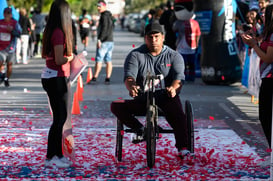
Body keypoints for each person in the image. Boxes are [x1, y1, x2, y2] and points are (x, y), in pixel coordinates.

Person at [111, 22, 190, 158]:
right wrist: (132, 87)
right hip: (143, 99)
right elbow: (129, 76)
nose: (153, 40)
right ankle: (142, 130)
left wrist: (174, 88)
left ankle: (183, 148)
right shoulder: (135, 55)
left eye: (156, 36)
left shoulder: (174, 56)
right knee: (116, 106)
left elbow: (179, 78)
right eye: (150, 37)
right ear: (145, 38)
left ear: (162, 37)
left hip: (166, 98)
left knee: (178, 115)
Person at [41, 0, 75, 168]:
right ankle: (52, 156)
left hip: (50, 76)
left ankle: (55, 155)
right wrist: (71, 57)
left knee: (58, 118)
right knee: (59, 119)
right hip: (56, 78)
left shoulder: (50, 31)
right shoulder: (59, 33)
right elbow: (60, 59)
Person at [241, 4, 273, 166]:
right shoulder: (268, 34)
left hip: (270, 77)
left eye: (266, 14)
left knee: (266, 116)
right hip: (266, 77)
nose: (263, 17)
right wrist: (252, 40)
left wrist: (254, 45)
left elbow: (268, 58)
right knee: (265, 116)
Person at [172, 0, 201, 82]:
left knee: (191, 64)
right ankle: (183, 77)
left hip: (191, 47)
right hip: (181, 47)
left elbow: (198, 34)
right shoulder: (179, 22)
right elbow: (174, 29)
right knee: (183, 64)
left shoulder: (195, 23)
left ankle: (191, 77)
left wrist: (197, 43)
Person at [91, 0, 114, 84]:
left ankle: (94, 77)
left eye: (99, 6)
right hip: (110, 40)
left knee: (99, 59)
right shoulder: (110, 16)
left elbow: (104, 28)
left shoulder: (104, 16)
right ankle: (108, 78)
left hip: (104, 41)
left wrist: (100, 39)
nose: (98, 8)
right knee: (108, 60)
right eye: (97, 6)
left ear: (104, 6)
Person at [0, 7, 22, 87]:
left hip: (11, 49)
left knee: (9, 65)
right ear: (3, 14)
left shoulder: (14, 23)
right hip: (1, 48)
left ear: (11, 14)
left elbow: (19, 34)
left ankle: (6, 78)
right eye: (6, 13)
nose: (7, 15)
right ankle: (2, 75)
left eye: (9, 13)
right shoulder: (0, 22)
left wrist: (12, 31)